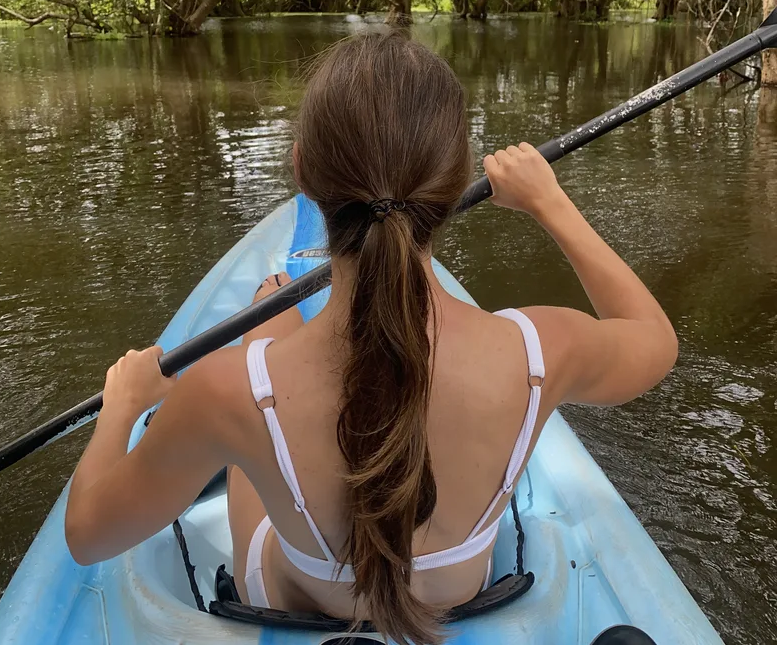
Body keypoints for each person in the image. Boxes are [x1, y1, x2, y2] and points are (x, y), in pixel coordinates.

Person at [65, 32, 678, 645]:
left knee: (254, 395)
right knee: (257, 384)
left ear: (303, 171)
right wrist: (552, 204)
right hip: (458, 591)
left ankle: (270, 333)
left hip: (300, 596)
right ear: (458, 178)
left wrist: (121, 408)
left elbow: (88, 534)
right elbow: (654, 340)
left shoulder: (223, 393)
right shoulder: (543, 351)